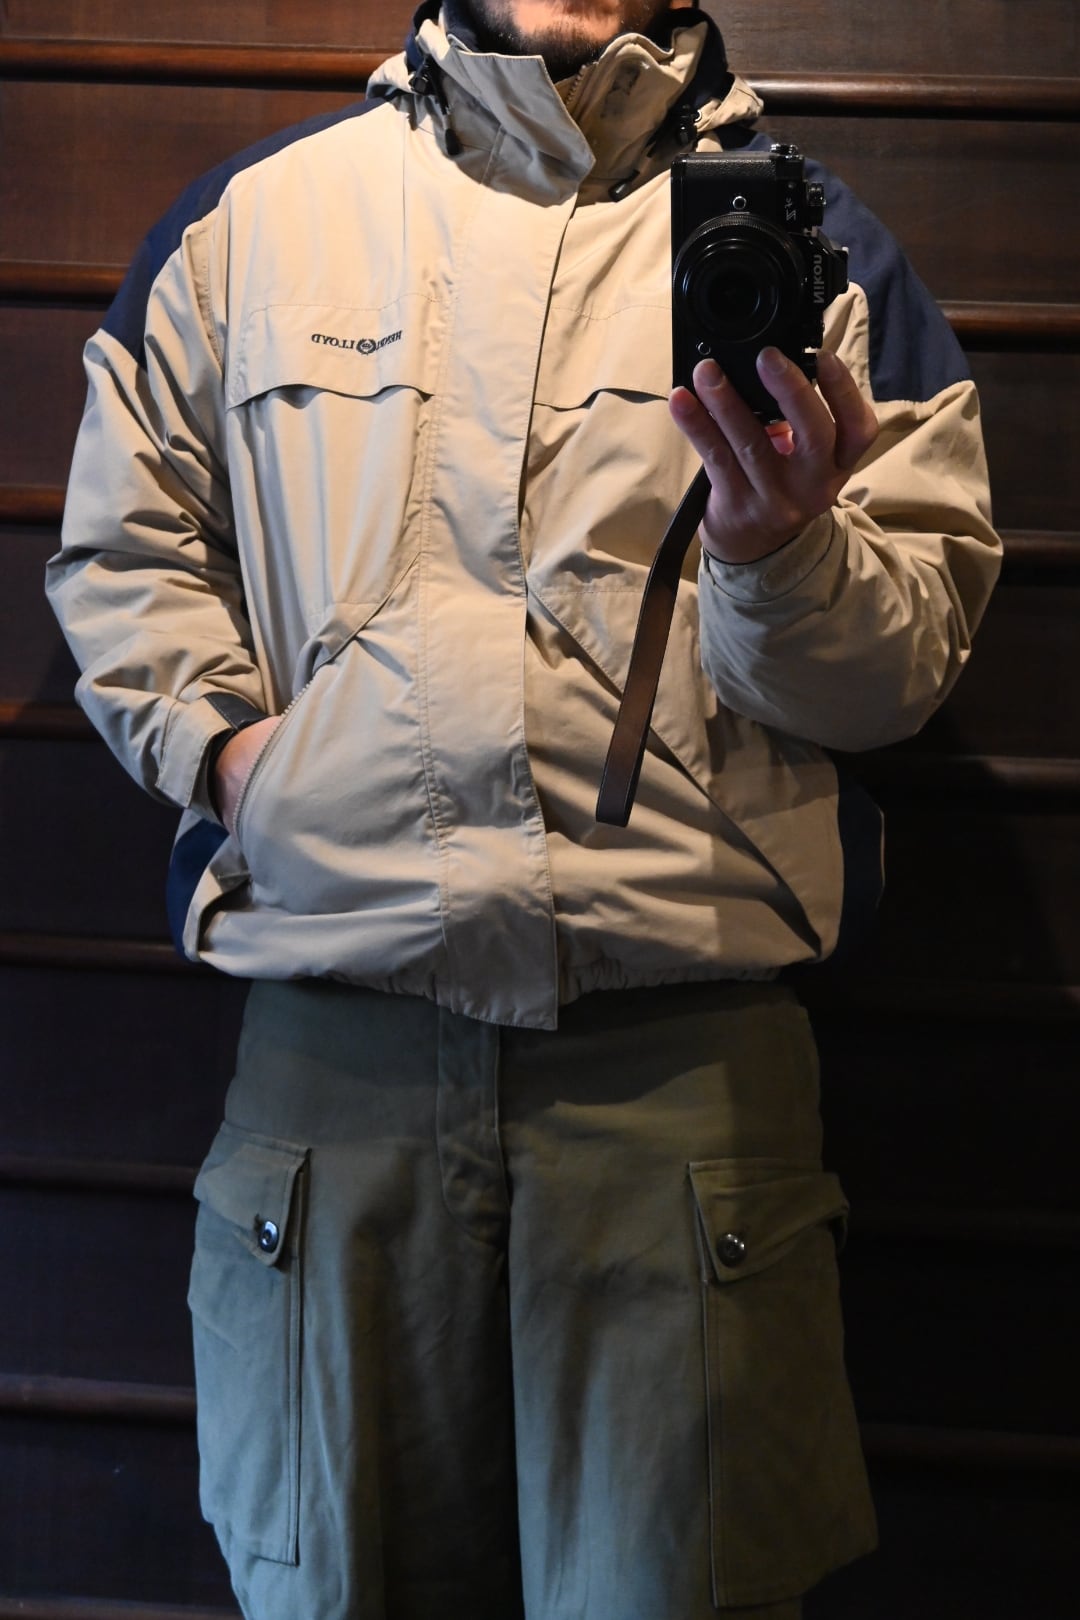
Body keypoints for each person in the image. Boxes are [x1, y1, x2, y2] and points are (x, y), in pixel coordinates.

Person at [46, 0, 1001, 1615]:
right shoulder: (246, 229)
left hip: (684, 1089)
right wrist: (234, 759)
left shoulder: (820, 249)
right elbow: (125, 555)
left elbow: (896, 670)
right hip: (335, 1072)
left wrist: (785, 561)